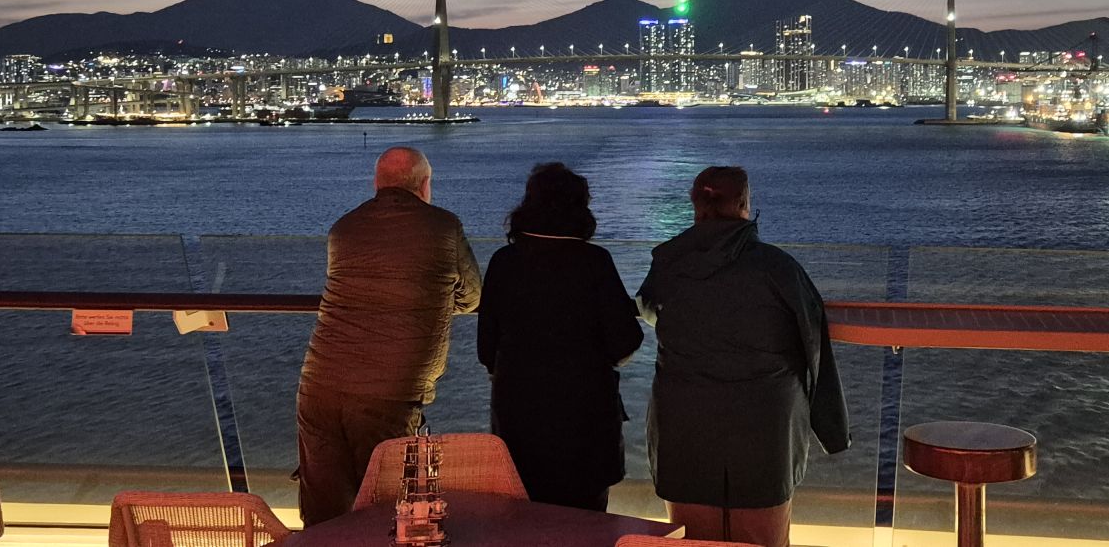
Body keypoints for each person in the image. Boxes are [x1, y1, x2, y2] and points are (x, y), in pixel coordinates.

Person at [637, 166, 849, 547]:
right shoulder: (777, 267)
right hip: (765, 423)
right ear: (743, 205)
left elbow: (651, 310)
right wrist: (831, 428)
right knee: (761, 538)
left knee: (693, 538)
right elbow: (813, 341)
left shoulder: (668, 262)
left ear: (696, 207)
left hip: (684, 418)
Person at [295, 146, 482, 526]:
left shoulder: (343, 228)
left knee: (324, 514)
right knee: (387, 510)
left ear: (376, 184)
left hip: (318, 385)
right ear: (425, 185)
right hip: (389, 392)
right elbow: (472, 296)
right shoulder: (443, 227)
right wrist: (433, 297)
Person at [477, 162, 644, 511]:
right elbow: (624, 340)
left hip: (518, 414)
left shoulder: (504, 261)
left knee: (522, 516)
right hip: (584, 418)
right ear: (580, 207)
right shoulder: (594, 261)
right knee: (585, 520)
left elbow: (486, 347)